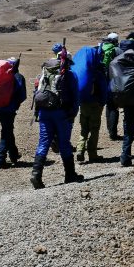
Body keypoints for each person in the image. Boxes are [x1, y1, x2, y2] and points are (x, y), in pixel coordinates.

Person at [30, 43, 83, 189]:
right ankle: (70, 174)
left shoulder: (45, 72)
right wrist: (72, 114)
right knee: (64, 143)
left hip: (44, 112)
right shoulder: (70, 75)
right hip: (61, 113)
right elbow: (75, 97)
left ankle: (36, 174)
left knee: (43, 142)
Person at [71, 44, 108, 164]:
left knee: (84, 128)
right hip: (95, 104)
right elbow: (103, 89)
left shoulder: (83, 71)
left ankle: (80, 151)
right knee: (94, 129)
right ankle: (92, 154)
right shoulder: (98, 72)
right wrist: (103, 102)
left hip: (83, 103)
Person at [0, 57, 26, 169]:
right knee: (6, 132)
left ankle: (14, 155)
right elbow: (22, 96)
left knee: (8, 129)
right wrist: (15, 104)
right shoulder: (18, 77)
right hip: (9, 109)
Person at [101, 33, 121, 141]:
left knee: (108, 106)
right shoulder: (117, 50)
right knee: (114, 107)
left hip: (103, 82)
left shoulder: (101, 48)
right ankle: (113, 133)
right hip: (113, 82)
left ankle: (109, 128)